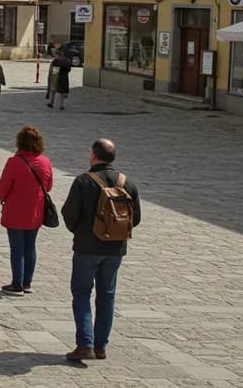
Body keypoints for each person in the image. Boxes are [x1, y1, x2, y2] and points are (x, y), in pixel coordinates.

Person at [60, 138, 142, 361]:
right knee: (107, 296)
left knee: (81, 294)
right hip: (115, 250)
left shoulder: (83, 182)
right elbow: (135, 219)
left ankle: (84, 344)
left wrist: (81, 231)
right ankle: (101, 346)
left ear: (93, 156)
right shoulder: (127, 183)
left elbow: (69, 214)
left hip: (87, 248)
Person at [0, 125, 53, 295]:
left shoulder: (14, 162)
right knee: (30, 247)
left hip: (15, 210)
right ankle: (27, 282)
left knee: (17, 248)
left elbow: (3, 187)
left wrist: (4, 200)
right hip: (36, 210)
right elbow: (48, 186)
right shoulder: (45, 162)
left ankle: (17, 283)